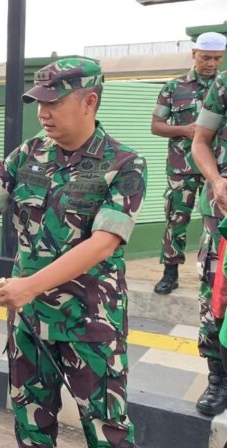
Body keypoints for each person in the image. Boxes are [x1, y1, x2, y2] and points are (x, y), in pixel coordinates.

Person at [0, 58, 143, 447]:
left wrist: (30, 286)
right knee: (31, 421)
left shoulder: (124, 164)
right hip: (30, 320)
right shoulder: (28, 153)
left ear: (89, 102)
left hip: (90, 321)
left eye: (55, 103)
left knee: (107, 428)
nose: (44, 113)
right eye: (40, 103)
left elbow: (103, 242)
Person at [153, 32, 226, 296]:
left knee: (218, 221)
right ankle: (170, 272)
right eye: (206, 57)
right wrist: (184, 130)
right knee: (176, 218)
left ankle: (216, 276)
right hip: (181, 167)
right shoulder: (174, 87)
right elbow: (156, 126)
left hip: (216, 169)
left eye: (217, 58)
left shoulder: (223, 85)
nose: (211, 63)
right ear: (193, 53)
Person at [192, 36, 227, 417]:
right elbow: (200, 142)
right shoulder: (224, 83)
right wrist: (216, 180)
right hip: (223, 209)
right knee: (216, 294)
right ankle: (218, 378)